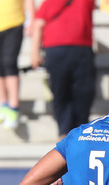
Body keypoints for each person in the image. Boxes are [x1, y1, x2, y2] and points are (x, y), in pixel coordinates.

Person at [30, 0, 96, 138]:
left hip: (64, 50)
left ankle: (69, 133)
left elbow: (38, 25)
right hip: (74, 49)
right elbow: (38, 24)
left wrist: (35, 53)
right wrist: (34, 53)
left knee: (65, 93)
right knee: (76, 92)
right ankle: (72, 133)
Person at [0, 0, 34, 129]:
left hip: (14, 23)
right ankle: (4, 104)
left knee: (9, 63)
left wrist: (31, 20)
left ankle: (13, 107)